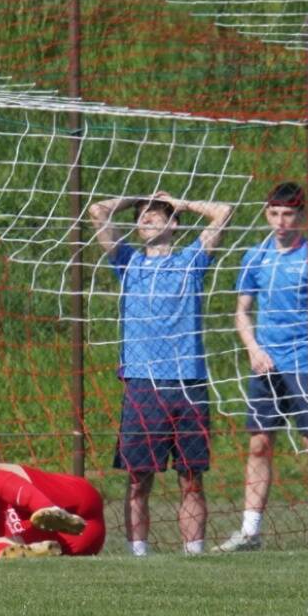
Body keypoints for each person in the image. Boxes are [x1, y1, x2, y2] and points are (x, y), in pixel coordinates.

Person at [87, 192, 233, 556]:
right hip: (142, 385)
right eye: (142, 216)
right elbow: (98, 210)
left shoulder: (191, 262)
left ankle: (194, 554)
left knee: (191, 480)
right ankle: (139, 555)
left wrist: (182, 203)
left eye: (155, 214)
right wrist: (138, 198)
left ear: (174, 225)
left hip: (188, 384)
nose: (146, 219)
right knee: (138, 480)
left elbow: (223, 212)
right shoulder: (128, 263)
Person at [220, 181, 308, 552]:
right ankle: (250, 531)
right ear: (266, 213)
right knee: (259, 445)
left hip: (306, 364)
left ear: (302, 216)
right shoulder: (253, 257)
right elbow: (241, 312)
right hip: (266, 367)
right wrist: (253, 349)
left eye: (289, 214)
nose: (281, 221)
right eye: (275, 214)